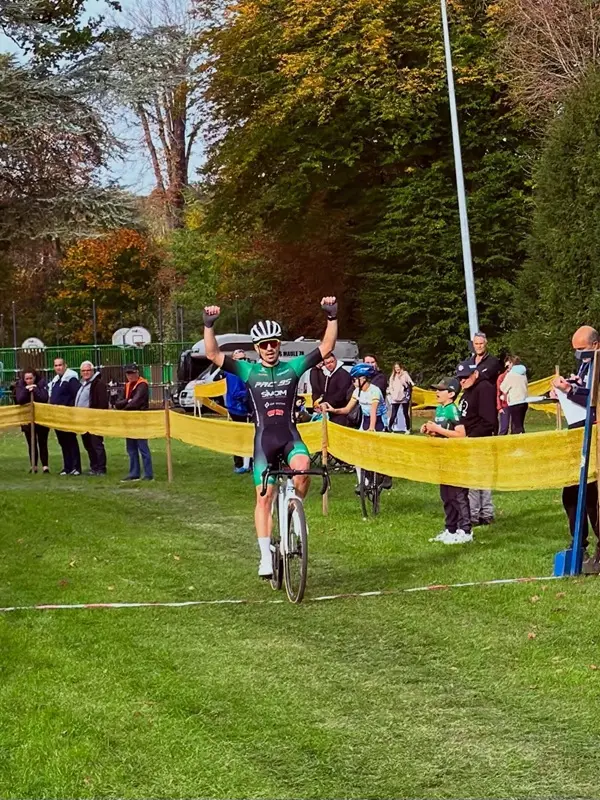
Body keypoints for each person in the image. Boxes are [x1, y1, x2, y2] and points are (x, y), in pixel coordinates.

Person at [202, 297, 338, 578]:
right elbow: (213, 354)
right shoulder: (248, 370)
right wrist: (209, 325)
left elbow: (326, 347)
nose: (269, 348)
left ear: (279, 344)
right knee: (264, 497)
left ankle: (296, 510)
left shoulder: (293, 367)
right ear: (256, 348)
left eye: (273, 343)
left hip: (289, 436)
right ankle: (265, 556)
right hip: (264, 441)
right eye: (263, 344)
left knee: (303, 469)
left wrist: (331, 317)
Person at [552, 325, 600, 563]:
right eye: (575, 350)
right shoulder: (586, 363)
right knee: (571, 491)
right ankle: (578, 543)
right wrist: (568, 387)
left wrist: (570, 389)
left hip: (594, 433)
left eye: (582, 349)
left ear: (595, 345)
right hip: (577, 430)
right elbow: (583, 388)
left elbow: (594, 396)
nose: (578, 354)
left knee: (593, 496)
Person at [321, 362, 393, 491]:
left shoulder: (375, 391)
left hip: (379, 421)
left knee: (376, 451)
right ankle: (363, 482)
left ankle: (386, 475)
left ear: (363, 379)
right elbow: (347, 409)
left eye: (355, 379)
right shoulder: (357, 391)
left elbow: (373, 411)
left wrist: (371, 429)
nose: (353, 382)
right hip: (365, 420)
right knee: (358, 453)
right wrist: (333, 410)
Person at [421, 377, 471, 545]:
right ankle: (450, 529)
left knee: (458, 494)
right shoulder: (440, 409)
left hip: (455, 458)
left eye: (441, 390)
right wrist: (430, 431)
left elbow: (461, 435)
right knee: (446, 495)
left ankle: (466, 530)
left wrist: (437, 429)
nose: (437, 392)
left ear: (451, 394)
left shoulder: (452, 409)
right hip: (443, 457)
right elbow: (442, 432)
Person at [457, 360, 498, 526]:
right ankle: (480, 513)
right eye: (460, 378)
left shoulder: (484, 388)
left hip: (479, 440)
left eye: (465, 377)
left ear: (475, 373)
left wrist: (471, 437)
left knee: (476, 479)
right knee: (475, 478)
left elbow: (489, 420)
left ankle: (478, 514)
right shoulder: (468, 390)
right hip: (469, 439)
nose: (462, 381)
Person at [115, 364, 153, 482]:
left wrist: (124, 407)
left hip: (140, 420)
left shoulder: (142, 385)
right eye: (128, 373)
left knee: (143, 447)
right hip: (129, 420)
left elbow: (136, 402)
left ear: (137, 373)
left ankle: (148, 474)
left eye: (132, 373)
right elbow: (117, 403)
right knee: (131, 448)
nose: (130, 376)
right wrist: (127, 401)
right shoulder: (126, 386)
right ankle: (134, 473)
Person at [48, 357, 81, 476]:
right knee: (63, 442)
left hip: (68, 416)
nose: (58, 367)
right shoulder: (56, 381)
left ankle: (76, 467)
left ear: (65, 366)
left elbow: (77, 395)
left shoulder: (71, 379)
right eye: (56, 365)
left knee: (71, 440)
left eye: (60, 365)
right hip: (57, 417)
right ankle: (67, 467)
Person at [76, 360, 108, 475]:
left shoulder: (98, 384)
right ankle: (94, 467)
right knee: (88, 445)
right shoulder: (83, 384)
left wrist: (97, 416)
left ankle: (101, 468)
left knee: (96, 444)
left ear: (92, 371)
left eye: (88, 370)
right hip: (83, 420)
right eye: (83, 371)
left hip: (94, 419)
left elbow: (103, 402)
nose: (86, 372)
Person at [14, 369, 50, 473]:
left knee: (43, 442)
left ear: (34, 377)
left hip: (41, 418)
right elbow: (20, 400)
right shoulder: (20, 386)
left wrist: (35, 389)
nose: (29, 380)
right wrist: (26, 390)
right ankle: (33, 465)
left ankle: (45, 466)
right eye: (27, 379)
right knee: (31, 443)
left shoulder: (41, 383)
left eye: (31, 378)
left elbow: (44, 398)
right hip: (27, 420)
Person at [225, 349, 252, 474]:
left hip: (243, 408)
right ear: (234, 360)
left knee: (248, 436)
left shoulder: (243, 371)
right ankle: (239, 464)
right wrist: (250, 392)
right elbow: (236, 393)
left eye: (244, 358)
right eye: (240, 359)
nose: (243, 361)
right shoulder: (233, 373)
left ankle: (248, 463)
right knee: (240, 437)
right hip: (237, 409)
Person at [311, 352, 353, 426]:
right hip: (328, 411)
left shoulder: (343, 374)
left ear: (336, 360)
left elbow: (341, 394)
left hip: (340, 413)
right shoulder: (326, 374)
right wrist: (315, 369)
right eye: (327, 363)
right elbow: (315, 387)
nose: (330, 365)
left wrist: (326, 404)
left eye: (332, 362)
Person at [499, 358, 528, 434]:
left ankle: (519, 439)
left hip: (515, 402)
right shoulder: (523, 373)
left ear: (511, 363)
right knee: (520, 424)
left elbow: (503, 388)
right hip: (524, 401)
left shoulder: (510, 375)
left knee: (516, 426)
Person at [387, 362, 413, 433]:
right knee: (393, 414)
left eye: (398, 367)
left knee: (405, 413)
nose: (397, 369)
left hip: (404, 398)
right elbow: (390, 386)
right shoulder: (392, 376)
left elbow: (410, 383)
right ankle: (390, 428)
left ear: (401, 367)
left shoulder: (405, 374)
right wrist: (392, 393)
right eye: (395, 367)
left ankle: (408, 429)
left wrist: (404, 384)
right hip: (395, 398)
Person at [496, 356, 513, 436]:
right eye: (508, 364)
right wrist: (499, 407)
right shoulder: (502, 377)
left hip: (515, 403)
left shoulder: (518, 376)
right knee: (504, 428)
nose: (509, 366)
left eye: (511, 363)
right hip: (505, 405)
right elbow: (498, 393)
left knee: (515, 427)